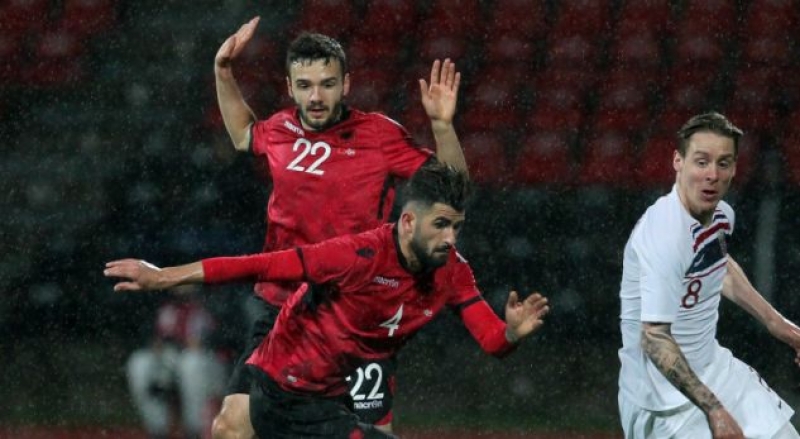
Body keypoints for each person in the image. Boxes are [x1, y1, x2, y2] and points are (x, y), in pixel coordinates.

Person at [105, 162, 550, 439]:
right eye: (441, 225)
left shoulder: (453, 270)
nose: (451, 238)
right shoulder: (356, 256)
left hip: (349, 380)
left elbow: (492, 340)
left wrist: (512, 332)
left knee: (230, 429)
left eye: (457, 227)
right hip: (287, 386)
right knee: (230, 428)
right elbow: (258, 265)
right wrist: (164, 276)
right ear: (409, 221)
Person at [211, 15, 467, 438]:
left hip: (355, 314)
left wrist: (442, 126)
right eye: (305, 85)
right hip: (282, 308)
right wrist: (223, 71)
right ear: (290, 87)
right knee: (231, 427)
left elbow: (452, 188)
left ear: (346, 84)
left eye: (327, 84)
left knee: (370, 432)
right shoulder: (280, 129)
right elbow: (243, 134)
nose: (316, 96)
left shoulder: (378, 136)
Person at [617, 112, 800, 438]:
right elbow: (654, 339)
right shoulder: (664, 234)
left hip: (715, 368)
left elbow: (719, 267)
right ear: (678, 161)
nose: (713, 175)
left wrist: (782, 327)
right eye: (701, 162)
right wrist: (714, 410)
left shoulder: (721, 215)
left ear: (734, 168)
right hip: (661, 399)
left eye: (723, 163)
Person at [126, 287, 228, 439]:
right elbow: (156, 340)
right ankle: (158, 430)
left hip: (209, 364)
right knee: (139, 362)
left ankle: (194, 431)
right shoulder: (166, 310)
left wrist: (202, 343)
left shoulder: (213, 305)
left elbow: (223, 341)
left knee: (192, 363)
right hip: (174, 360)